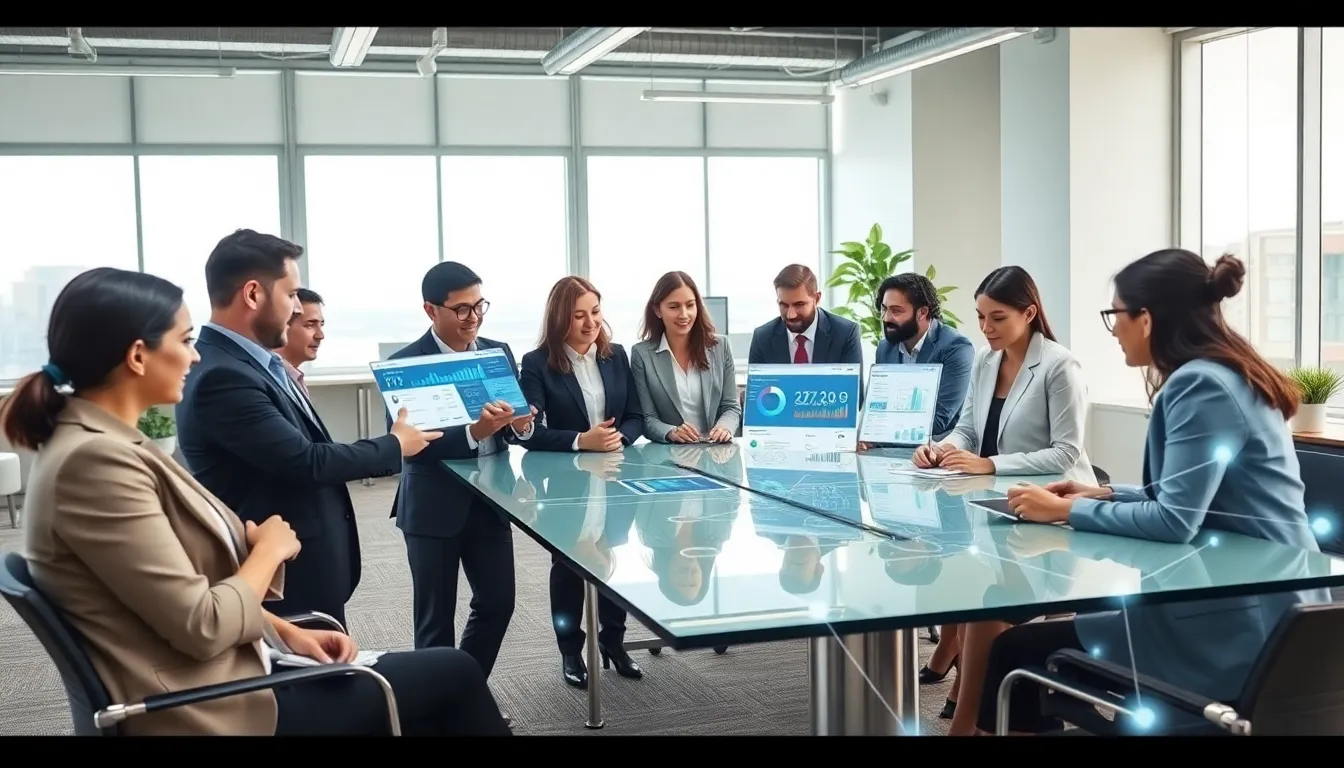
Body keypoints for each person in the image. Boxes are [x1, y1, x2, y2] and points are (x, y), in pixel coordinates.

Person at [0, 267, 509, 736]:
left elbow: (172, 596)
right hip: (211, 704)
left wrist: (286, 631)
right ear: (137, 356)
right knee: (454, 673)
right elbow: (202, 624)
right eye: (184, 341)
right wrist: (267, 550)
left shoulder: (104, 445)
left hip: (231, 667)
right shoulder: (95, 465)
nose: (196, 356)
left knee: (445, 674)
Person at [984, 250, 1332, 735]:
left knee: (1015, 651)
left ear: (1145, 319)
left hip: (1238, 630)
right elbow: (1194, 497)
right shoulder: (1231, 372)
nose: (1115, 330)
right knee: (1037, 640)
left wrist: (1068, 509)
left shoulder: (1197, 385)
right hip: (1281, 614)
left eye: (1116, 315)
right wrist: (1104, 495)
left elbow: (1175, 520)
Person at [176, 229, 442, 628]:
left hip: (301, 562)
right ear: (252, 294)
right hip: (282, 572)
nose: (295, 308)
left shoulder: (254, 365)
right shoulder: (223, 376)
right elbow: (306, 461)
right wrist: (394, 445)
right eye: (290, 295)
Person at [910, 265, 1095, 735]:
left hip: (1051, 510)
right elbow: (970, 429)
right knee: (974, 597)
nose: (986, 329)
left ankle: (967, 722)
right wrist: (943, 447)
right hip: (997, 506)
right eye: (980, 318)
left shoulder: (1058, 365)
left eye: (997, 318)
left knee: (985, 605)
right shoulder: (986, 362)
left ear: (1029, 313)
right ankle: (971, 719)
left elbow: (1067, 451)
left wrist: (991, 464)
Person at [386, 262, 533, 679]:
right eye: (462, 309)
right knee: (435, 621)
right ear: (431, 311)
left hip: (490, 500)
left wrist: (522, 424)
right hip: (433, 506)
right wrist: (473, 432)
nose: (474, 318)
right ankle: (435, 713)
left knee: (498, 602)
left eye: (479, 305)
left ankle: (462, 690)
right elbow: (407, 445)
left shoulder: (497, 351)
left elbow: (517, 428)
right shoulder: (405, 365)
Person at [518, 276, 644, 689]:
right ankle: (571, 650)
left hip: (615, 476)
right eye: (579, 315)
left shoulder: (616, 356)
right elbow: (528, 433)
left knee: (612, 561)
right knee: (569, 568)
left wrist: (615, 438)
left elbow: (636, 417)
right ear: (560, 319)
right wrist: (579, 441)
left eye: (595, 312)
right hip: (567, 484)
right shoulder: (537, 363)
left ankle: (614, 642)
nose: (591, 323)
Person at [629, 271, 741, 444]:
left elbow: (731, 407)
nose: (684, 314)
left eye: (690, 305)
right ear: (658, 310)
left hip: (717, 452)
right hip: (671, 455)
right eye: (674, 307)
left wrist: (724, 428)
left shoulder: (720, 347)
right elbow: (648, 418)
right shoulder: (642, 355)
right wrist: (671, 432)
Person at [863, 272, 974, 445]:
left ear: (922, 312)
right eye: (884, 309)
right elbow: (877, 409)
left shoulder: (956, 348)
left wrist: (881, 429)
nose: (886, 318)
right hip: (889, 449)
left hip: (937, 451)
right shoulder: (885, 348)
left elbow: (939, 421)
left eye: (896, 311)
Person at [747, 264, 863, 366]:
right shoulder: (762, 338)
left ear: (816, 299)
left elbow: (853, 389)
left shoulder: (845, 334)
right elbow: (758, 390)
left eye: (799, 305)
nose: (790, 315)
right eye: (784, 305)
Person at [273, 287, 325, 395]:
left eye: (321, 325)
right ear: (283, 325)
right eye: (310, 325)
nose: (320, 335)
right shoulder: (271, 380)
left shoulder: (294, 378)